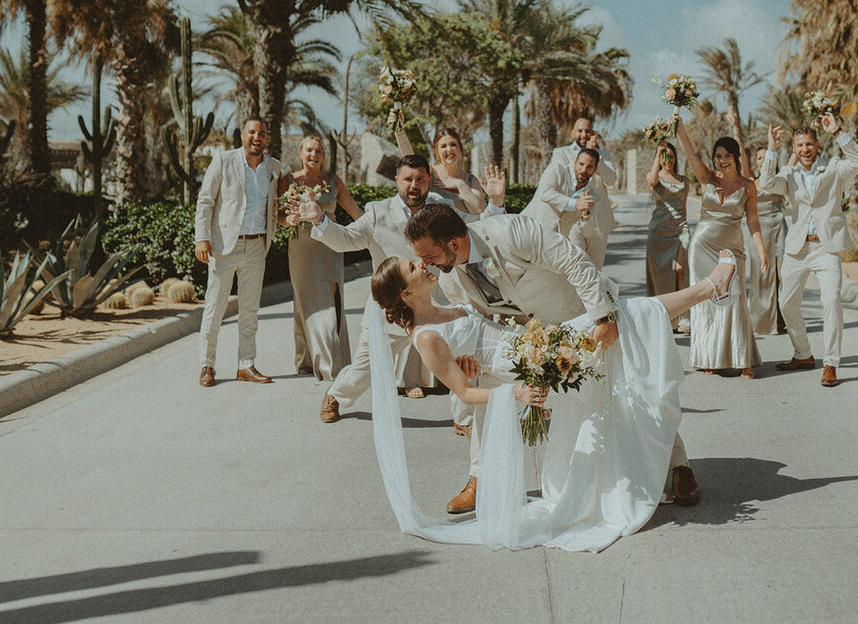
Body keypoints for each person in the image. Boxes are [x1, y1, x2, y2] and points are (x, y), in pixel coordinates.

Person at [362, 249, 737, 552]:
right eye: (413, 266)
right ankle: (709, 288)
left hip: (535, 345)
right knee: (628, 316)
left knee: (625, 328)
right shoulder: (425, 338)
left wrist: (478, 359)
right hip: (534, 367)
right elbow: (463, 393)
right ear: (406, 294)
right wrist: (518, 393)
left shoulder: (442, 304)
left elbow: (476, 348)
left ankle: (709, 291)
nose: (423, 263)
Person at [400, 204, 702, 515]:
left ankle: (678, 465)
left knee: (628, 390)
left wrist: (603, 317)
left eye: (429, 255)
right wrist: (468, 360)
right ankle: (480, 477)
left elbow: (574, 262)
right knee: (489, 389)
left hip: (579, 316)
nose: (425, 264)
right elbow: (477, 320)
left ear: (453, 243)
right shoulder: (449, 278)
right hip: (524, 343)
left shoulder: (510, 232)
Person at [299, 155, 507, 419]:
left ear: (429, 181)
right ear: (397, 180)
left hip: (437, 310)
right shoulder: (376, 212)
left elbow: (475, 230)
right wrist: (320, 221)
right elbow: (347, 239)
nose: (414, 185)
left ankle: (464, 420)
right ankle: (336, 394)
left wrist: (496, 202)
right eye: (408, 179)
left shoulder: (443, 208)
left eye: (421, 179)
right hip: (390, 310)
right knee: (364, 370)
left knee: (462, 363)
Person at [759, 112, 858, 387]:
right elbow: (767, 183)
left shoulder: (833, 167)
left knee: (830, 301)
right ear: (793, 149)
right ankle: (803, 353)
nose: (805, 150)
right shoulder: (789, 173)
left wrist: (837, 132)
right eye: (799, 146)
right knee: (786, 304)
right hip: (797, 248)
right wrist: (771, 148)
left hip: (826, 247)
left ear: (816, 145)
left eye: (809, 144)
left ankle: (830, 363)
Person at [674, 112, 769, 378]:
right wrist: (680, 126)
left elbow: (753, 222)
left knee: (735, 298)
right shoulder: (708, 178)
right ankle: (710, 357)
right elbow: (690, 153)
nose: (721, 160)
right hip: (702, 248)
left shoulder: (748, 186)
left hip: (733, 249)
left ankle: (743, 359)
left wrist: (760, 250)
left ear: (736, 157)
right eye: (718, 156)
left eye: (727, 155)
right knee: (705, 300)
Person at [193, 117, 282, 387]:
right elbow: (206, 200)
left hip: (257, 246)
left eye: (262, 133)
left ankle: (246, 365)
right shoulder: (224, 160)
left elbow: (275, 206)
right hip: (224, 247)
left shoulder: (274, 167)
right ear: (242, 135)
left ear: (267, 138)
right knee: (215, 308)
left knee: (250, 310)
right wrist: (202, 238)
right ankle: (207, 366)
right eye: (252, 132)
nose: (257, 137)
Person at [277, 135, 364, 380]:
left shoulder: (333, 181)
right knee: (304, 301)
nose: (314, 155)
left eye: (319, 151)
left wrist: (376, 230)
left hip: (330, 248)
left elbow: (355, 211)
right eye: (309, 150)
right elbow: (279, 216)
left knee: (331, 299)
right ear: (300, 153)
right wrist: (289, 220)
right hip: (302, 248)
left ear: (323, 156)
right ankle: (314, 360)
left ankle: (327, 359)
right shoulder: (288, 181)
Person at [521, 147, 616, 268]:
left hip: (554, 246)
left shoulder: (593, 196)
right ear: (575, 162)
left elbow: (587, 231)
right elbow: (544, 193)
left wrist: (585, 215)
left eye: (589, 167)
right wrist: (575, 204)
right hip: (528, 233)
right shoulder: (557, 170)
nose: (584, 170)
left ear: (595, 169)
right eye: (581, 164)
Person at [395, 118, 489, 219]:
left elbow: (480, 212)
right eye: (443, 146)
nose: (449, 150)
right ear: (437, 151)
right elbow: (411, 160)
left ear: (460, 148)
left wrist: (460, 185)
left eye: (453, 145)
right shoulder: (429, 173)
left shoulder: (471, 180)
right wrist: (399, 131)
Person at [645, 140, 690, 332]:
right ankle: (666, 318)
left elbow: (684, 207)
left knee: (681, 270)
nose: (668, 160)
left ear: (675, 158)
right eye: (664, 156)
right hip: (658, 233)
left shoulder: (684, 181)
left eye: (670, 156)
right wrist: (658, 152)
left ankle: (684, 318)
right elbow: (652, 181)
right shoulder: (655, 177)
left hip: (681, 231)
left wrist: (685, 227)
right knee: (662, 278)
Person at [747, 147, 787, 335]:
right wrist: (736, 130)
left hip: (778, 228)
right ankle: (761, 321)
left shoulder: (778, 182)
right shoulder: (751, 182)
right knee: (762, 275)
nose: (762, 161)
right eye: (759, 158)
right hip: (759, 231)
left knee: (782, 275)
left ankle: (782, 318)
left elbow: (794, 159)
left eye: (766, 157)